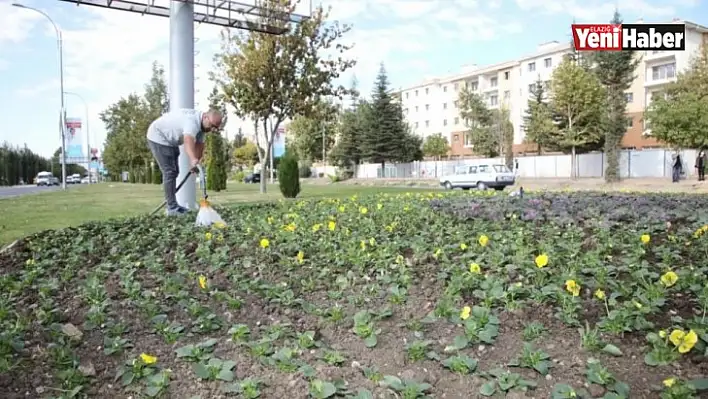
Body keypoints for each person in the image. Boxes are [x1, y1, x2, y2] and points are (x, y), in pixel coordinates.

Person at [146, 108, 224, 216]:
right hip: (158, 135)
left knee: (174, 172)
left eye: (215, 127)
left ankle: (173, 205)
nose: (213, 129)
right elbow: (188, 141)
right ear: (206, 117)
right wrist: (193, 159)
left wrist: (196, 162)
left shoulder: (202, 126)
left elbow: (199, 145)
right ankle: (171, 208)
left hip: (170, 140)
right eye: (212, 125)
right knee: (170, 172)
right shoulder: (192, 122)